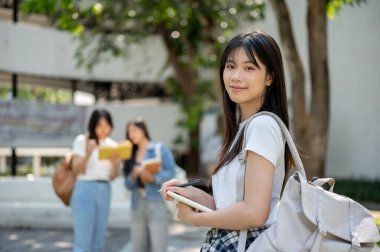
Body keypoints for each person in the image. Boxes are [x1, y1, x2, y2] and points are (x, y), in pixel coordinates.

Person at [161, 30, 294, 251]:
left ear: (269, 77)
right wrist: (193, 196)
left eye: (249, 68)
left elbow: (255, 213)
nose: (235, 76)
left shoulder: (262, 127)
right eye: (231, 66)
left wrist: (195, 220)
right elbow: (229, 208)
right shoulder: (243, 130)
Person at [70, 109, 120, 252]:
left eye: (106, 125)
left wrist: (115, 163)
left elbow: (113, 176)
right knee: (82, 242)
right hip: (84, 188)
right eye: (99, 125)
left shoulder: (113, 145)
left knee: (98, 241)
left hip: (104, 188)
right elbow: (75, 170)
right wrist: (88, 152)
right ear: (93, 125)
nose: (103, 130)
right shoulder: (82, 140)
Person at [124, 117, 176, 252]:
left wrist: (153, 178)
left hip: (156, 201)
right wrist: (134, 176)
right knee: (138, 246)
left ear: (143, 130)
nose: (131, 134)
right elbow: (127, 184)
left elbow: (171, 172)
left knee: (159, 245)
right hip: (137, 202)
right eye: (129, 132)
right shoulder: (130, 153)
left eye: (134, 130)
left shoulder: (159, 148)